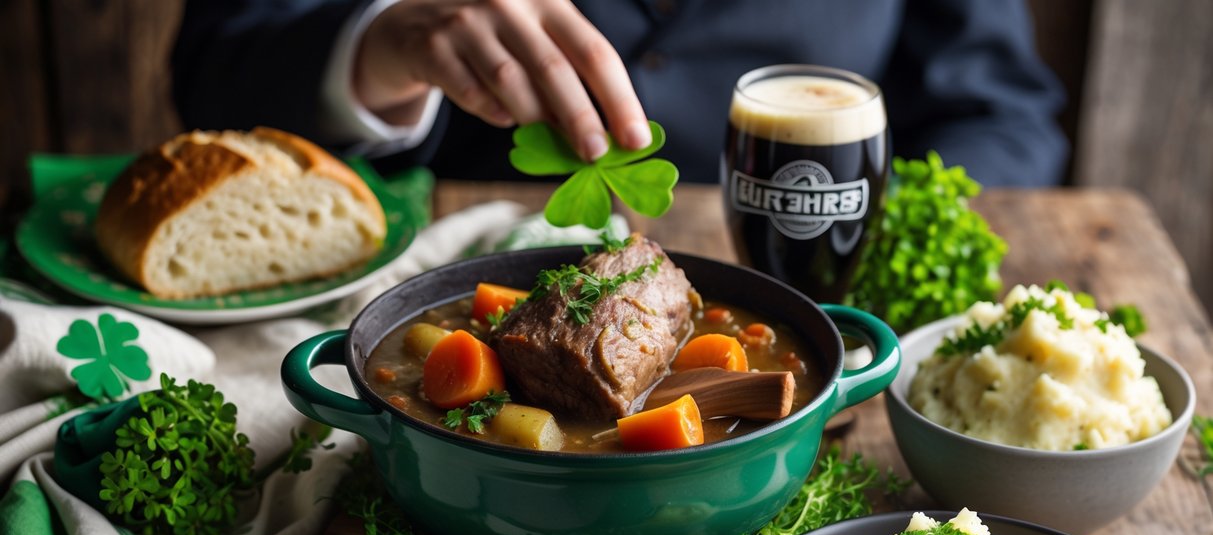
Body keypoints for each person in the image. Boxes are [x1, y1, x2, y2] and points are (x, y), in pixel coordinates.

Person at [171, 0, 1068, 186]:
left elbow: (1002, 115)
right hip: (459, 282)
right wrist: (378, 45)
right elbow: (216, 69)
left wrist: (854, 231)